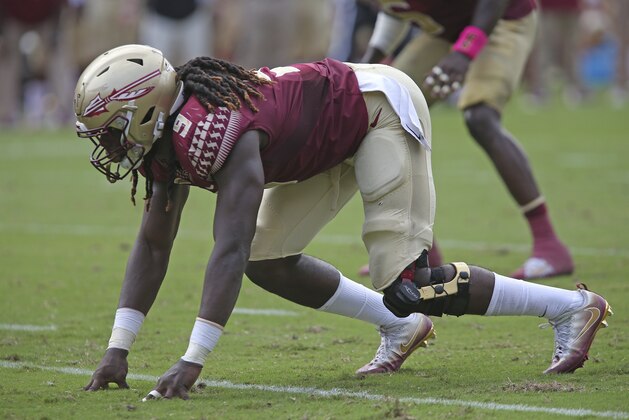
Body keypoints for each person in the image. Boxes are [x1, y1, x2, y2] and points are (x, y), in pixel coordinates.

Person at [75, 44, 611, 400]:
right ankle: (400, 327)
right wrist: (117, 349)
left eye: (110, 130)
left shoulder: (214, 129)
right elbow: (153, 247)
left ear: (147, 110)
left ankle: (571, 307)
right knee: (269, 259)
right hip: (324, 139)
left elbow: (227, 248)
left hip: (374, 109)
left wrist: (193, 359)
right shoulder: (169, 140)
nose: (108, 145)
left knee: (409, 285)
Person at [360, 0, 574, 280]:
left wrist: (465, 51)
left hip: (502, 19)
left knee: (480, 117)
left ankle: (549, 245)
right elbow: (395, 9)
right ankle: (418, 253)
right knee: (386, 110)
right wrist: (372, 59)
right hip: (445, 31)